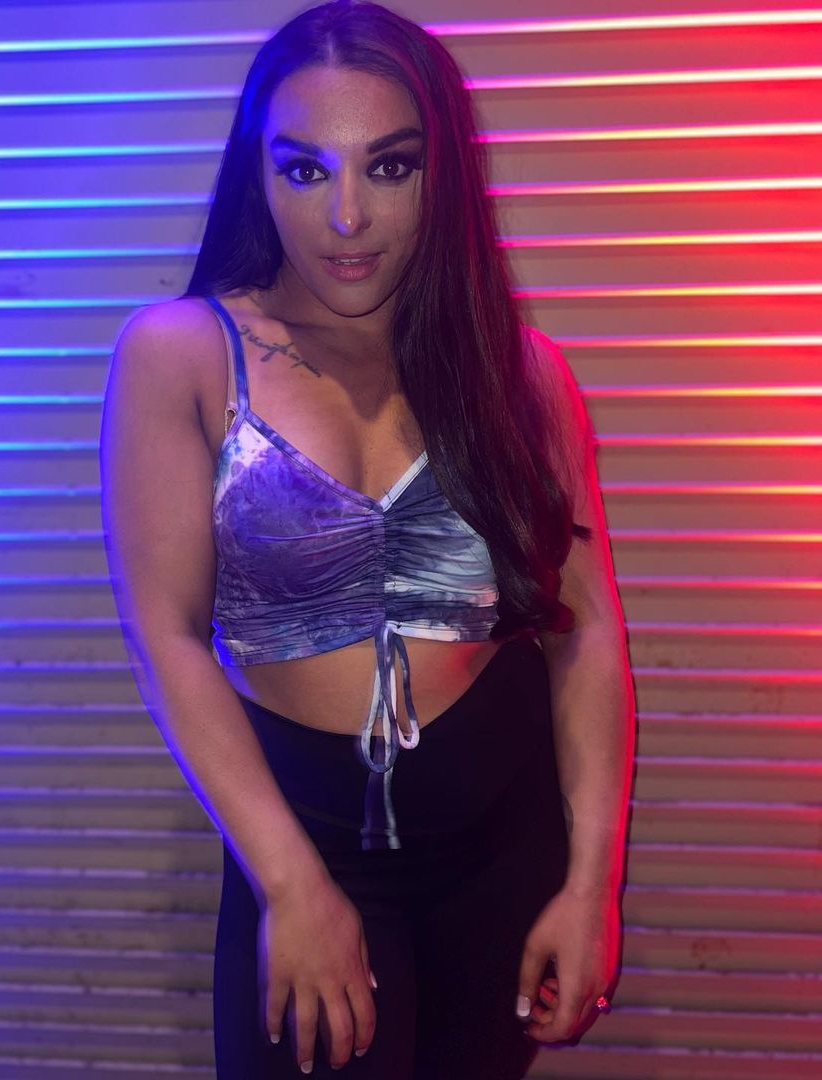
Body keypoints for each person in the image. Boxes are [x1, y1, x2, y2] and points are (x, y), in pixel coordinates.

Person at [99, 1, 635, 1076]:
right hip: (304, 852)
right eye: (305, 170)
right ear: (258, 175)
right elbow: (168, 637)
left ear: (442, 174)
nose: (347, 216)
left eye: (389, 167)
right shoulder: (182, 354)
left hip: (503, 856)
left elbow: (586, 634)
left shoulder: (524, 376)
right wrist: (290, 882)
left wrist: (592, 887)